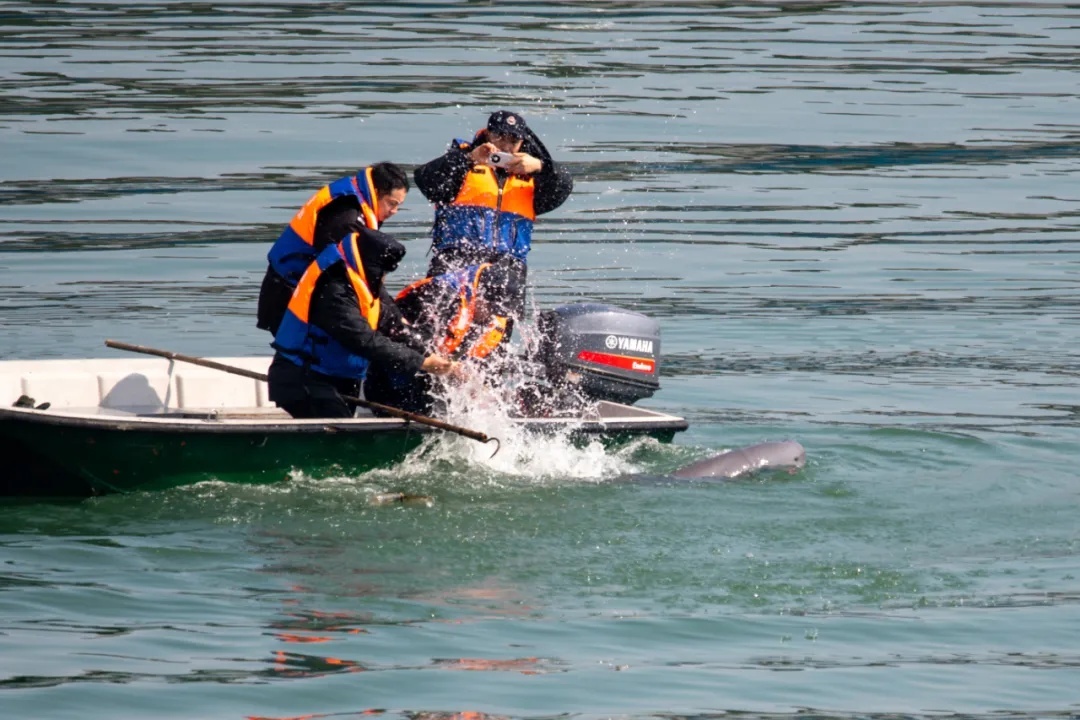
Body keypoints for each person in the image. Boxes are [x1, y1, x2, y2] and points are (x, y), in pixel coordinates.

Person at [267, 226, 461, 419]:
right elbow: (364, 340)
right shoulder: (334, 289)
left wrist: (433, 355)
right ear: (371, 264)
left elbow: (395, 327)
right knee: (342, 437)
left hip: (335, 377)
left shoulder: (361, 284)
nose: (384, 277)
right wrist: (421, 362)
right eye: (383, 271)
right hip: (303, 378)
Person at [413, 110, 573, 283]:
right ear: (488, 134)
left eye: (514, 141)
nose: (506, 146)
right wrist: (469, 159)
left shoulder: (533, 175)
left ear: (522, 143)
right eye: (500, 137)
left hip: (509, 266)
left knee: (505, 303)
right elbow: (426, 180)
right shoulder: (461, 161)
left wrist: (542, 166)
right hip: (456, 258)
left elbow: (563, 186)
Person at [257, 161, 410, 335]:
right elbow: (358, 275)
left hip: (293, 286)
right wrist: (395, 318)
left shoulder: (354, 198)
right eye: (391, 203)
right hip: (288, 293)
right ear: (376, 193)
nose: (394, 211)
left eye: (399, 205)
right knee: (307, 351)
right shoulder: (346, 218)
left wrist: (393, 313)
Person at [362, 258, 525, 415]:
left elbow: (485, 365)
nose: (492, 316)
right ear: (478, 292)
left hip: (439, 387)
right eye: (490, 307)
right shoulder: (438, 297)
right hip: (393, 385)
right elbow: (403, 344)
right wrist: (453, 371)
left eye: (500, 311)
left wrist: (482, 387)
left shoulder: (494, 318)